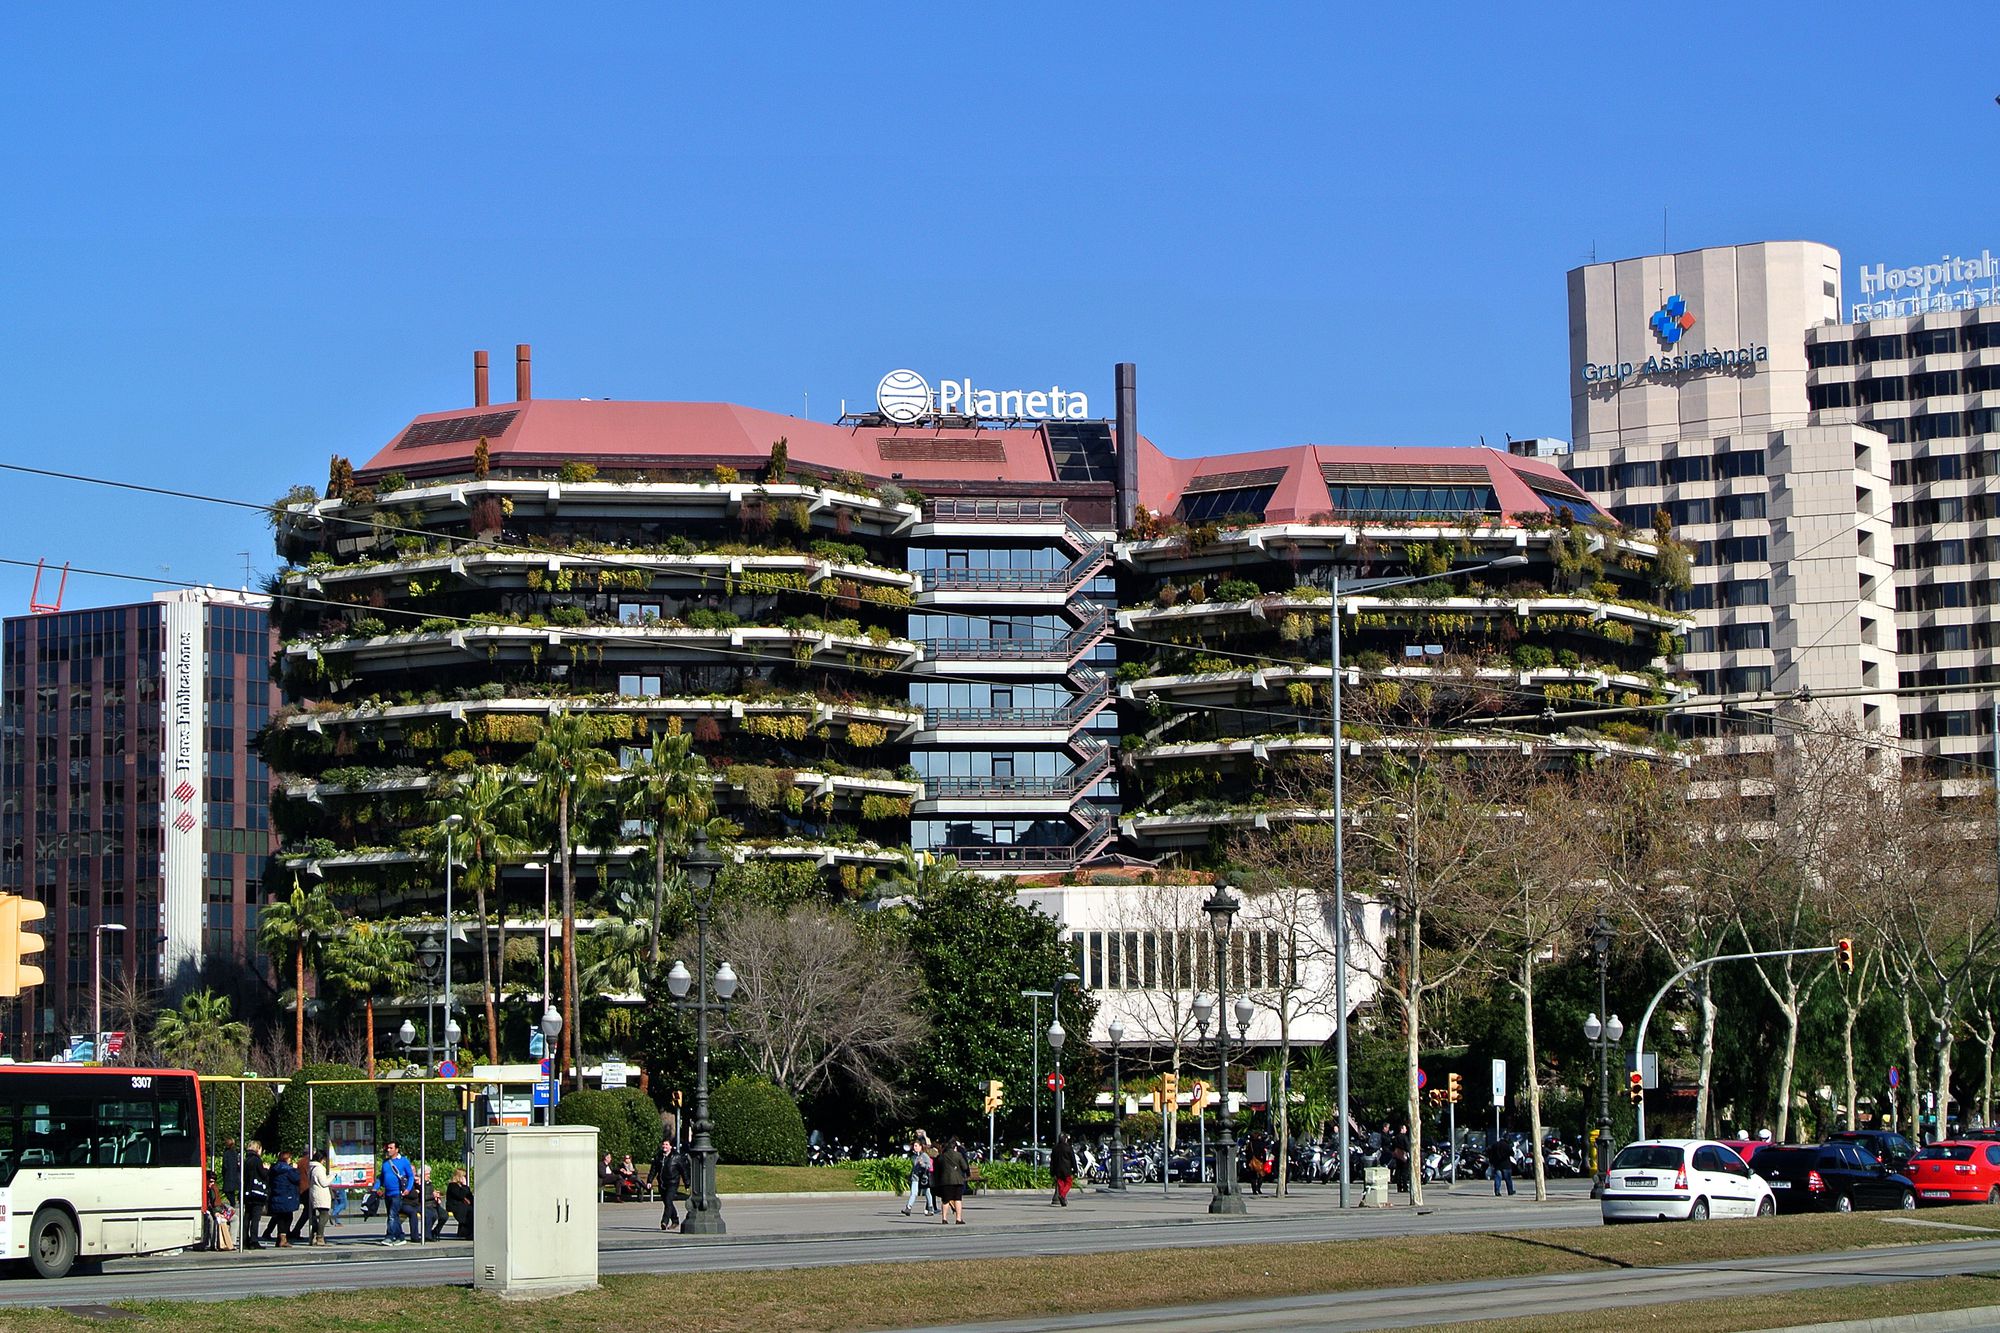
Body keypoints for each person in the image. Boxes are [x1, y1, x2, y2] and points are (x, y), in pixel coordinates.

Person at [380, 1141, 416, 1245]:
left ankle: (390, 1236)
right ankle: (400, 1236)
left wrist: (408, 1189)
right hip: (388, 1193)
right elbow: (381, 1177)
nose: (388, 1150)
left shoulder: (404, 1161)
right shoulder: (385, 1162)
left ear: (397, 1149)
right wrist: (376, 1188)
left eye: (391, 1148)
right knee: (393, 1216)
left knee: (392, 1215)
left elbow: (410, 1176)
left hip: (397, 1193)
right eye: (388, 1148)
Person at [648, 1136, 687, 1231]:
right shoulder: (659, 1156)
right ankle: (675, 1220)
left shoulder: (676, 1157)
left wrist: (687, 1183)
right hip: (662, 1183)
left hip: (672, 1183)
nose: (664, 1146)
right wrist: (649, 1181)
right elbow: (653, 1170)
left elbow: (683, 1171)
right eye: (663, 1144)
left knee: (668, 1201)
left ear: (670, 1146)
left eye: (666, 1144)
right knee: (667, 1202)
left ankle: (664, 1221)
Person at [266, 1149, 301, 1248]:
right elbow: (297, 1179)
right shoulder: (289, 1170)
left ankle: (280, 1238)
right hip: (287, 1196)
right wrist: (295, 1169)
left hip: (276, 1195)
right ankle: (283, 1239)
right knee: (287, 1217)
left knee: (281, 1217)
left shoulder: (274, 1168)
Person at [931, 1137, 969, 1224]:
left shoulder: (942, 1157)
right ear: (954, 1147)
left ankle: (944, 1219)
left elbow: (937, 1168)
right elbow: (965, 1167)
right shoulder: (958, 1155)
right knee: (958, 1199)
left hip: (945, 1181)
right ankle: (958, 1219)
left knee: (945, 1200)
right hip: (957, 1181)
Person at [242, 1140, 269, 1249]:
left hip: (248, 1191)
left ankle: (244, 1239)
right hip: (257, 1192)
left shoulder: (246, 1159)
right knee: (255, 1218)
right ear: (258, 1148)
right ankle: (254, 1240)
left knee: (247, 1217)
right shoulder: (257, 1160)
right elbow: (263, 1175)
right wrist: (267, 1169)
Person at [901, 1133, 934, 1217]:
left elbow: (929, 1166)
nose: (915, 1147)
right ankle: (908, 1208)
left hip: (924, 1178)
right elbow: (914, 1167)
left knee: (927, 1193)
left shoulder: (924, 1155)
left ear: (920, 1147)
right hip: (915, 1177)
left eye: (916, 1146)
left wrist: (922, 1164)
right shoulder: (914, 1156)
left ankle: (930, 1208)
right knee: (914, 1193)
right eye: (914, 1146)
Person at [307, 1148, 333, 1245]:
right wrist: (332, 1176)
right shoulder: (318, 1168)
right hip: (321, 1194)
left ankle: (315, 1234)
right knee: (324, 1216)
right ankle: (319, 1236)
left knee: (317, 1215)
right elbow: (324, 1182)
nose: (324, 1162)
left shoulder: (311, 1168)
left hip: (314, 1193)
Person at [445, 1168, 474, 1239]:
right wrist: (464, 1186)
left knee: (471, 1209)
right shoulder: (452, 1186)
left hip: (462, 1205)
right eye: (463, 1176)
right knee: (469, 1211)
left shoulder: (462, 1186)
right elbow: (460, 1195)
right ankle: (469, 1233)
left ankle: (466, 1231)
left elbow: (469, 1196)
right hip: (455, 1205)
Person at [1050, 1135, 1076, 1207]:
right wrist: (1075, 1169)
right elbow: (1073, 1159)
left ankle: (1062, 1198)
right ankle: (1062, 1195)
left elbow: (1052, 1161)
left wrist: (1052, 1171)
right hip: (1067, 1169)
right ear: (1065, 1140)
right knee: (1069, 1183)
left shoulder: (1055, 1148)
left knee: (1060, 1183)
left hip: (1057, 1170)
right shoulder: (1068, 1148)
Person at [1491, 1128, 1517, 1197]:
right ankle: (1510, 1191)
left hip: (1497, 1164)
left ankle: (1497, 1191)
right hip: (1506, 1164)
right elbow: (1512, 1153)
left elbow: (1490, 1153)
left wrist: (1492, 1162)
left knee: (1497, 1179)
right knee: (1508, 1179)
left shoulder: (1495, 1145)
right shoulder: (1507, 1146)